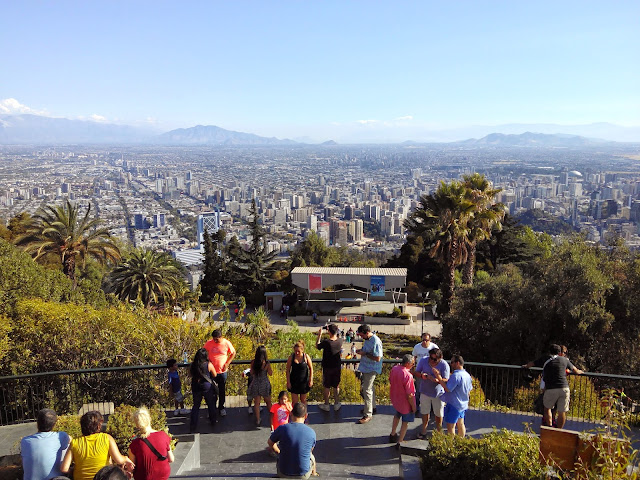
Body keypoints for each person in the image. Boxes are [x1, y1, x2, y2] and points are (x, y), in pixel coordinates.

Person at [61, 411, 134, 480]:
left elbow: (64, 468)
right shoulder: (106, 438)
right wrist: (126, 459)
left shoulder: (75, 442)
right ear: (98, 426)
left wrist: (74, 471)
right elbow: (119, 460)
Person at [524, 344, 583, 429]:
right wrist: (581, 372)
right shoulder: (564, 360)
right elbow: (575, 370)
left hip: (551, 388)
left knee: (547, 409)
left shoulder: (545, 359)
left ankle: (549, 428)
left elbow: (532, 364)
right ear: (560, 352)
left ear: (549, 351)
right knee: (562, 412)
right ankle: (559, 431)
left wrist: (525, 366)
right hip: (564, 388)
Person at [268, 403, 318, 479]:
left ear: (291, 414)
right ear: (306, 416)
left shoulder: (282, 428)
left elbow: (270, 442)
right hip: (303, 475)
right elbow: (309, 451)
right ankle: (314, 474)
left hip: (283, 473)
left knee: (282, 456)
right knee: (311, 456)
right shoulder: (311, 432)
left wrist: (278, 451)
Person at [21, 408, 71, 480]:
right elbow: (73, 442)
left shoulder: (25, 441)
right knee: (66, 446)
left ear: (37, 423)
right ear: (54, 424)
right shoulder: (61, 436)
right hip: (55, 478)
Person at [128, 407, 174, 480]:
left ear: (137, 425)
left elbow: (131, 467)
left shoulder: (135, 443)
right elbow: (171, 459)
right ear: (150, 418)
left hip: (144, 477)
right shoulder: (163, 435)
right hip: (163, 474)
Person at [434, 354, 473, 437]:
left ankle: (451, 444)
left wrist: (439, 377)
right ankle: (460, 441)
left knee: (451, 426)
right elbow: (469, 390)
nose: (451, 364)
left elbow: (448, 389)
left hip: (454, 404)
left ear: (457, 363)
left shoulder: (456, 376)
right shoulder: (467, 375)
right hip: (463, 404)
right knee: (461, 423)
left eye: (452, 362)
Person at [415, 348, 449, 437]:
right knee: (425, 412)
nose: (432, 361)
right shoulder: (423, 360)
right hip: (425, 391)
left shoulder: (444, 365)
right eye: (431, 358)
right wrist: (423, 376)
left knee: (438, 413)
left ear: (440, 358)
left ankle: (439, 432)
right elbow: (416, 372)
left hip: (438, 393)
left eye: (435, 359)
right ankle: (423, 431)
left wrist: (438, 379)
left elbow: (446, 379)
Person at [203, 329, 236, 417]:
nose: (215, 341)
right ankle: (211, 408)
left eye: (216, 339)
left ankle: (221, 407)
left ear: (221, 337)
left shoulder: (226, 343)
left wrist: (227, 363)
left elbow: (233, 353)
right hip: (211, 371)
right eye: (214, 339)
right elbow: (203, 352)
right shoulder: (209, 343)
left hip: (222, 372)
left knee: (221, 390)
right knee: (211, 391)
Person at [356, 324, 383, 424]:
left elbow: (378, 358)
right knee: (370, 389)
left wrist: (365, 354)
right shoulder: (368, 339)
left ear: (367, 333)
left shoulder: (375, 341)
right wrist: (362, 351)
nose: (361, 337)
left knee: (366, 390)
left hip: (371, 369)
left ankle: (368, 414)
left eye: (362, 335)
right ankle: (373, 407)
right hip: (366, 368)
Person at [389, 354, 417, 447]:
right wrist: (413, 406)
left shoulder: (395, 369)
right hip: (405, 403)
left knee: (397, 416)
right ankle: (400, 441)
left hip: (396, 398)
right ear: (408, 363)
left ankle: (393, 433)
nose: (413, 365)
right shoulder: (408, 375)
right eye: (413, 364)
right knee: (405, 422)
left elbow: (390, 380)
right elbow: (409, 394)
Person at [189, 348, 218, 433]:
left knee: (196, 406)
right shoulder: (208, 364)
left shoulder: (192, 365)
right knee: (210, 404)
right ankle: (213, 421)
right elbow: (214, 374)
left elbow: (190, 374)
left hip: (195, 386)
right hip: (206, 386)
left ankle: (193, 424)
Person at [316, 324, 343, 412]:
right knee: (336, 385)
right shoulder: (340, 341)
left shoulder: (326, 342)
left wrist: (319, 335)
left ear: (328, 331)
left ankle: (327, 404)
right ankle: (336, 403)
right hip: (337, 366)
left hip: (327, 367)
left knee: (327, 386)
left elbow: (317, 346)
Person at [248, 345, 273, 427]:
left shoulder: (253, 362)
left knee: (257, 403)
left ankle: (258, 419)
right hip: (264, 383)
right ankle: (273, 417)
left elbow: (251, 373)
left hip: (256, 383)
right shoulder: (266, 363)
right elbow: (270, 373)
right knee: (268, 402)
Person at [286, 340, 314, 407]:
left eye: (298, 351)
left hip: (304, 382)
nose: (297, 353)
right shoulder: (291, 357)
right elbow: (287, 370)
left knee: (303, 400)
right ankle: (295, 415)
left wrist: (311, 379)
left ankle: (304, 414)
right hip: (294, 382)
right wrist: (288, 382)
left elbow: (311, 368)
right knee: (294, 401)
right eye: (295, 351)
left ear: (302, 350)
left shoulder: (306, 357)